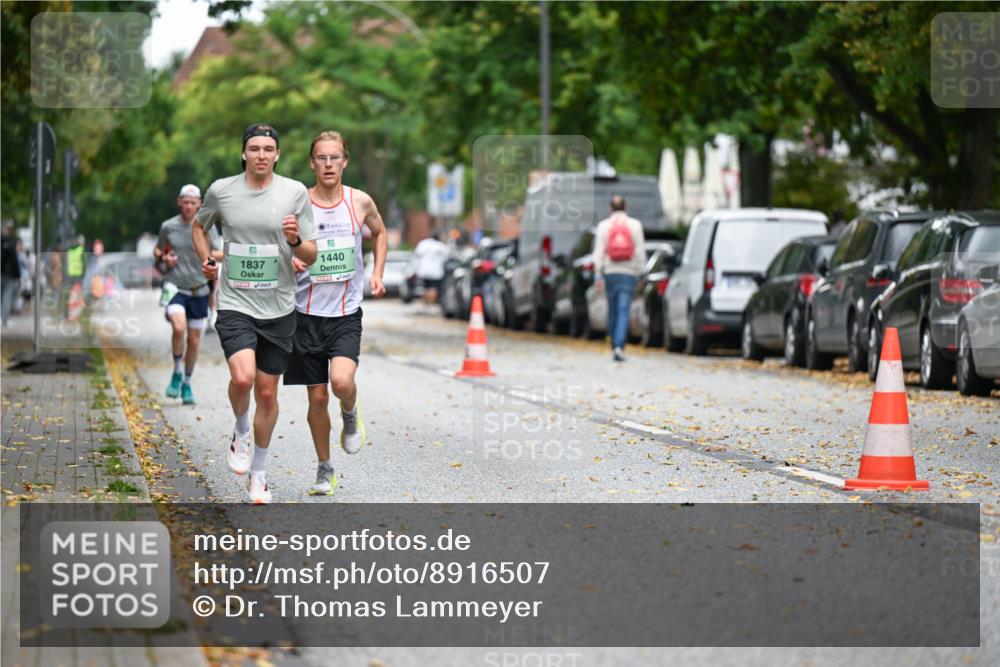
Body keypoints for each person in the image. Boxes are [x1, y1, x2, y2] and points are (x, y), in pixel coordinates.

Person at [193, 123, 317, 504]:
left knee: (267, 393)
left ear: (277, 154)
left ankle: (259, 476)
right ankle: (241, 429)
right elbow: (200, 228)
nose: (261, 154)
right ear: (243, 153)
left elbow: (310, 254)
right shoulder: (222, 191)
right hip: (235, 302)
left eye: (268, 149)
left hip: (279, 306)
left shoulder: (294, 192)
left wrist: (295, 240)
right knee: (243, 378)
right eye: (254, 148)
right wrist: (205, 260)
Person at [284, 130, 388, 496]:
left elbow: (380, 232)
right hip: (305, 315)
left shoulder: (358, 202)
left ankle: (350, 411)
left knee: (342, 383)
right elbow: (282, 244)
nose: (328, 164)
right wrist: (292, 260)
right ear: (312, 163)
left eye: (335, 157)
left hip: (345, 313)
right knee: (316, 397)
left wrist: (376, 272)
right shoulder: (299, 204)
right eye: (321, 158)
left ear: (345, 162)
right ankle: (325, 469)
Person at [154, 184, 223, 405]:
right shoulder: (168, 226)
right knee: (179, 327)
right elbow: (158, 249)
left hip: (199, 289)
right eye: (185, 201)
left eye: (193, 202)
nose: (189, 206)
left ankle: (187, 382)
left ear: (200, 204)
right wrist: (165, 258)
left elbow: (221, 252)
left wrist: (206, 253)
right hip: (174, 287)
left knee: (194, 341)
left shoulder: (207, 226)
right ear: (179, 202)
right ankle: (176, 371)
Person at [593, 196, 645, 362]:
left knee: (613, 308)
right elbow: (640, 252)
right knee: (624, 309)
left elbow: (598, 253)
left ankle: (614, 342)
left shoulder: (603, 226)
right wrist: (639, 272)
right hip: (628, 273)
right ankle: (619, 346)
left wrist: (598, 274)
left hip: (610, 272)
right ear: (625, 207)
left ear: (610, 209)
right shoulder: (635, 225)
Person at [413, 231, 449, 305]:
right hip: (436, 272)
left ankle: (426, 305)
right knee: (433, 289)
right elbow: (447, 257)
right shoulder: (441, 246)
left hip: (424, 271)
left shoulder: (423, 243)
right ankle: (431, 304)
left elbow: (417, 253)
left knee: (425, 289)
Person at [1, 222, 21, 327]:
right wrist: (18, 275)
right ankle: (5, 319)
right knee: (7, 296)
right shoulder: (10, 243)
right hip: (8, 274)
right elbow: (14, 260)